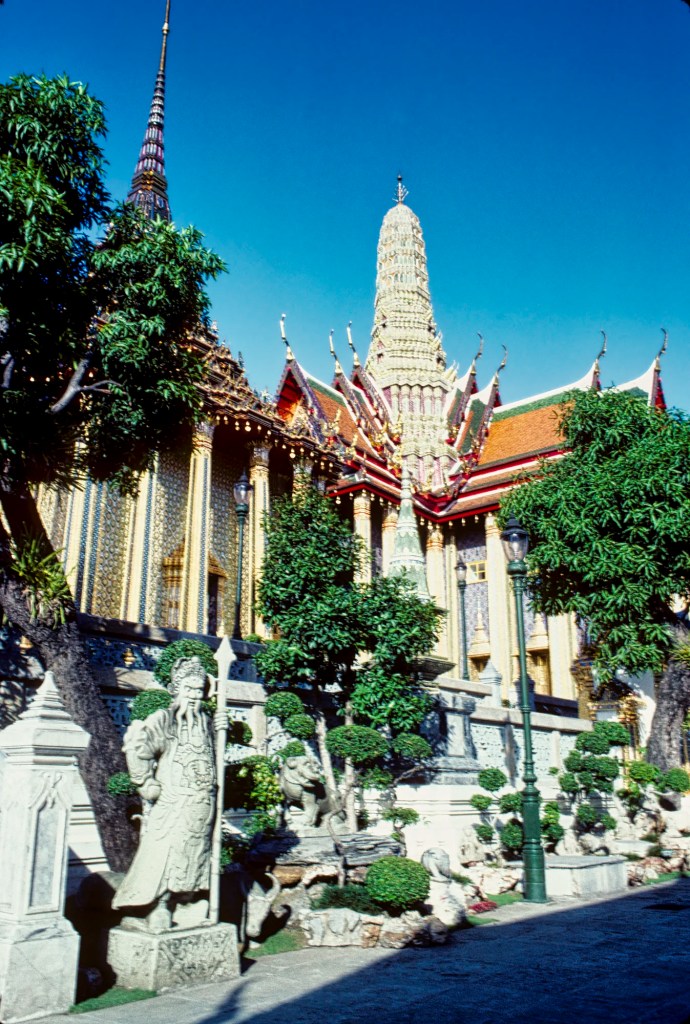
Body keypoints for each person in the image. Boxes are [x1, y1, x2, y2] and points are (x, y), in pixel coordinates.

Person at [112, 656, 218, 930]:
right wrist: (145, 782)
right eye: (188, 690)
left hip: (202, 802)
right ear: (177, 690)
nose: (194, 696)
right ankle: (159, 904)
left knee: (195, 853)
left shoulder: (206, 721)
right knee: (165, 853)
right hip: (173, 801)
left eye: (198, 690)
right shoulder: (164, 719)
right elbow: (137, 746)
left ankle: (187, 901)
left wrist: (222, 728)